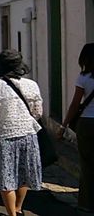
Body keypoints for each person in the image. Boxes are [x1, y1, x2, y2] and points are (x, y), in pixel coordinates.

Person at [0, 50, 43, 216]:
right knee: (23, 174)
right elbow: (38, 112)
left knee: (6, 178)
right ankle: (18, 209)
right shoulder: (32, 85)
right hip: (28, 135)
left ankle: (12, 214)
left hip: (2, 137)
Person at [59, 43, 94, 212]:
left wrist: (64, 125)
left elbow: (75, 104)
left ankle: (87, 203)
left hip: (87, 123)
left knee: (87, 164)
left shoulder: (83, 78)